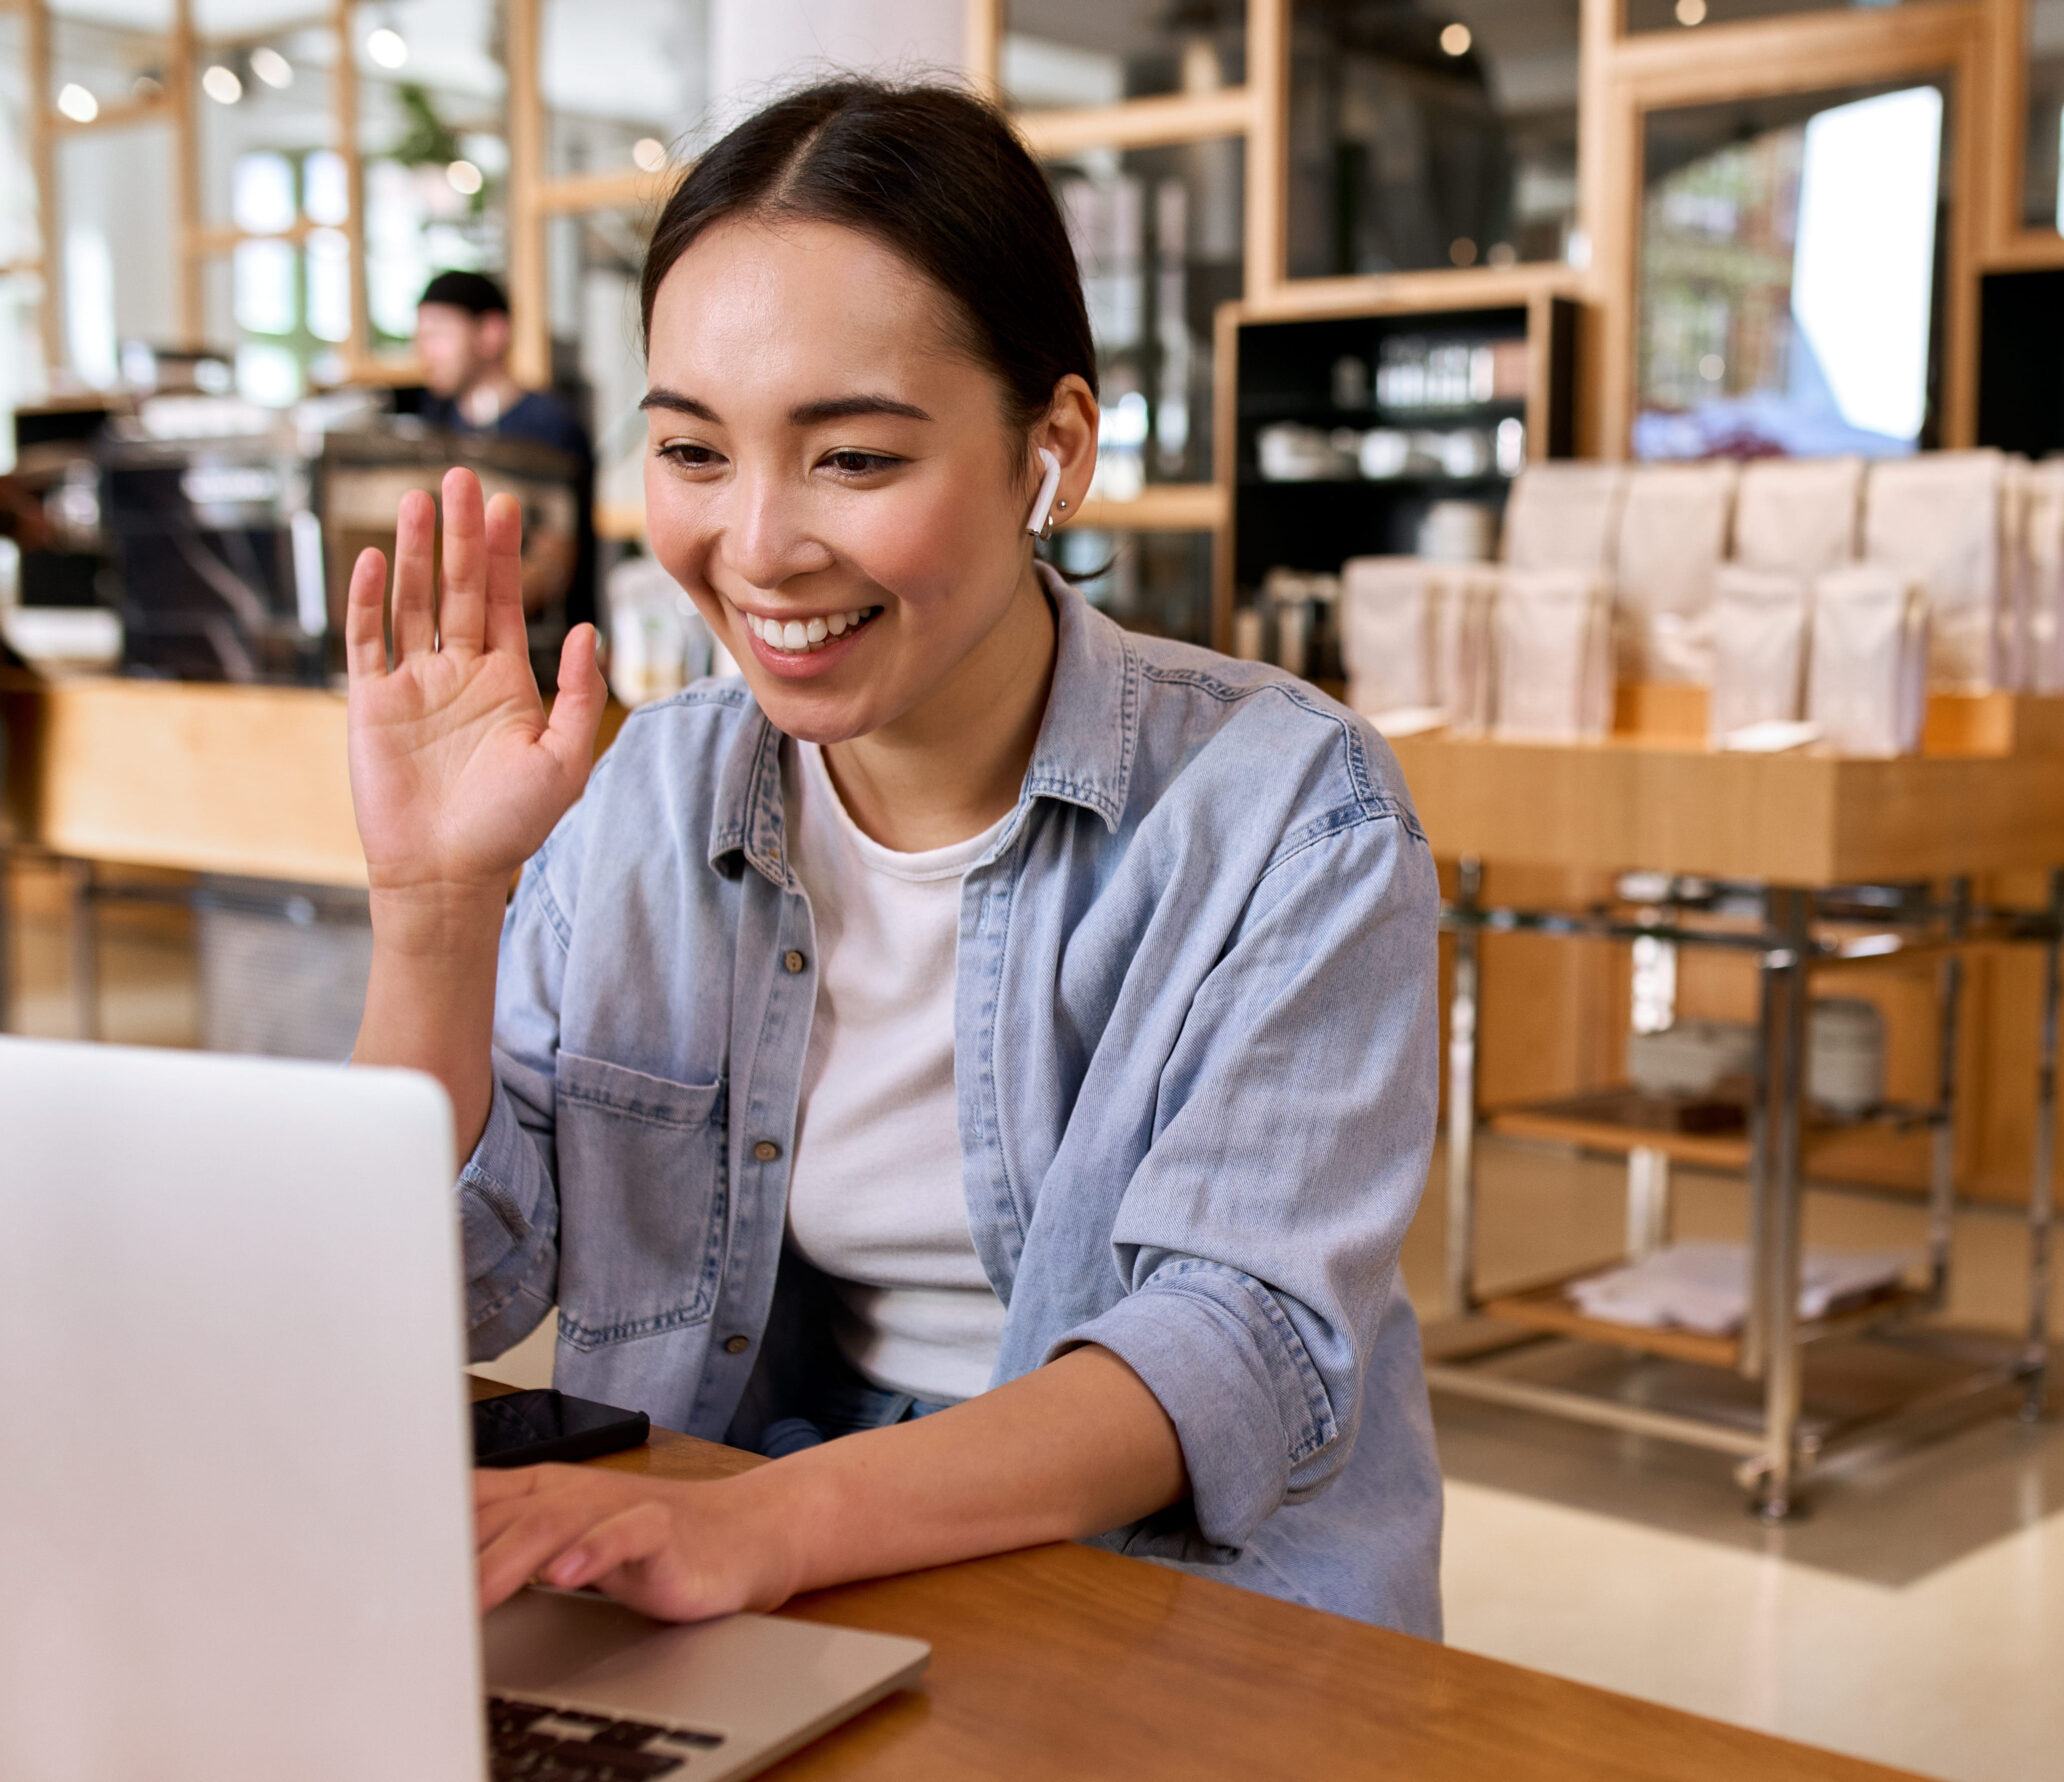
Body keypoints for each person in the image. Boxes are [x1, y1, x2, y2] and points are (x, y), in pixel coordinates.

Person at [344, 77, 1445, 1638]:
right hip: (737, 1560)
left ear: (1049, 450)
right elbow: (449, 1282)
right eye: (693, 452)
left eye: (854, 458)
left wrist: (761, 1522)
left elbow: (1239, 1343)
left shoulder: (1289, 810)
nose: (760, 544)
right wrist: (435, 908)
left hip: (1170, 1601)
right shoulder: (646, 792)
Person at [412, 269, 597, 633]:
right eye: (420, 337)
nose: (424, 352)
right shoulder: (438, 421)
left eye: (438, 335)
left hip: (542, 651)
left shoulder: (549, 425)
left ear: (492, 333)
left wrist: (457, 612)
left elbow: (553, 566)